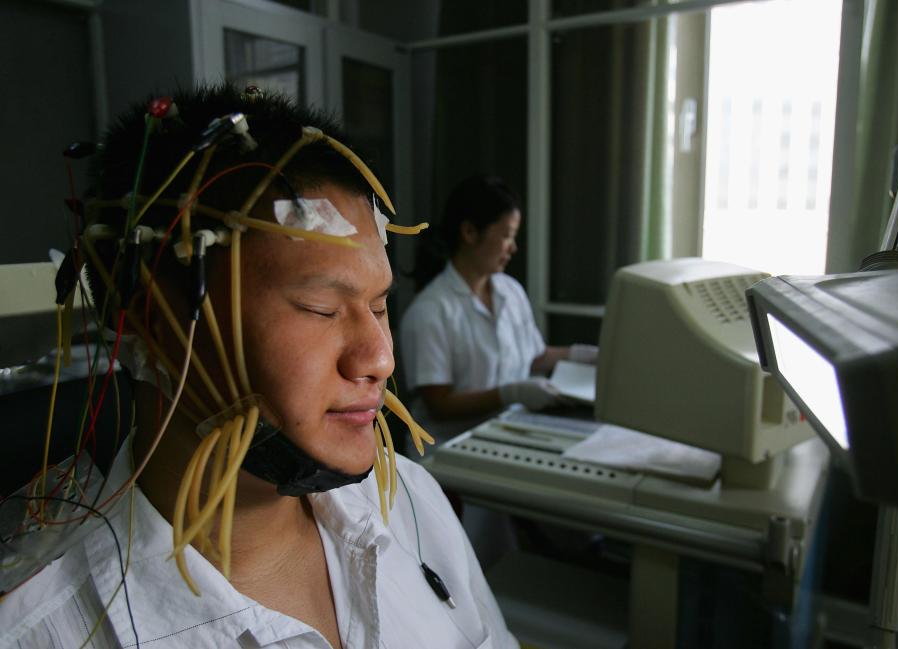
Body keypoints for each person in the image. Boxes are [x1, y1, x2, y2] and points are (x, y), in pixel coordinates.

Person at [0, 85, 517, 648]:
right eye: (321, 309)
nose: (380, 359)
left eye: (379, 306)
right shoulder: (43, 631)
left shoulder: (412, 503)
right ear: (153, 321)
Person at [400, 175, 598, 443]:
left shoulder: (510, 290)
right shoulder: (430, 311)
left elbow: (533, 356)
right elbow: (440, 404)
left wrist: (584, 354)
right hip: (452, 449)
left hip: (508, 432)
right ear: (469, 232)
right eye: (506, 236)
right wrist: (510, 394)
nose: (513, 248)